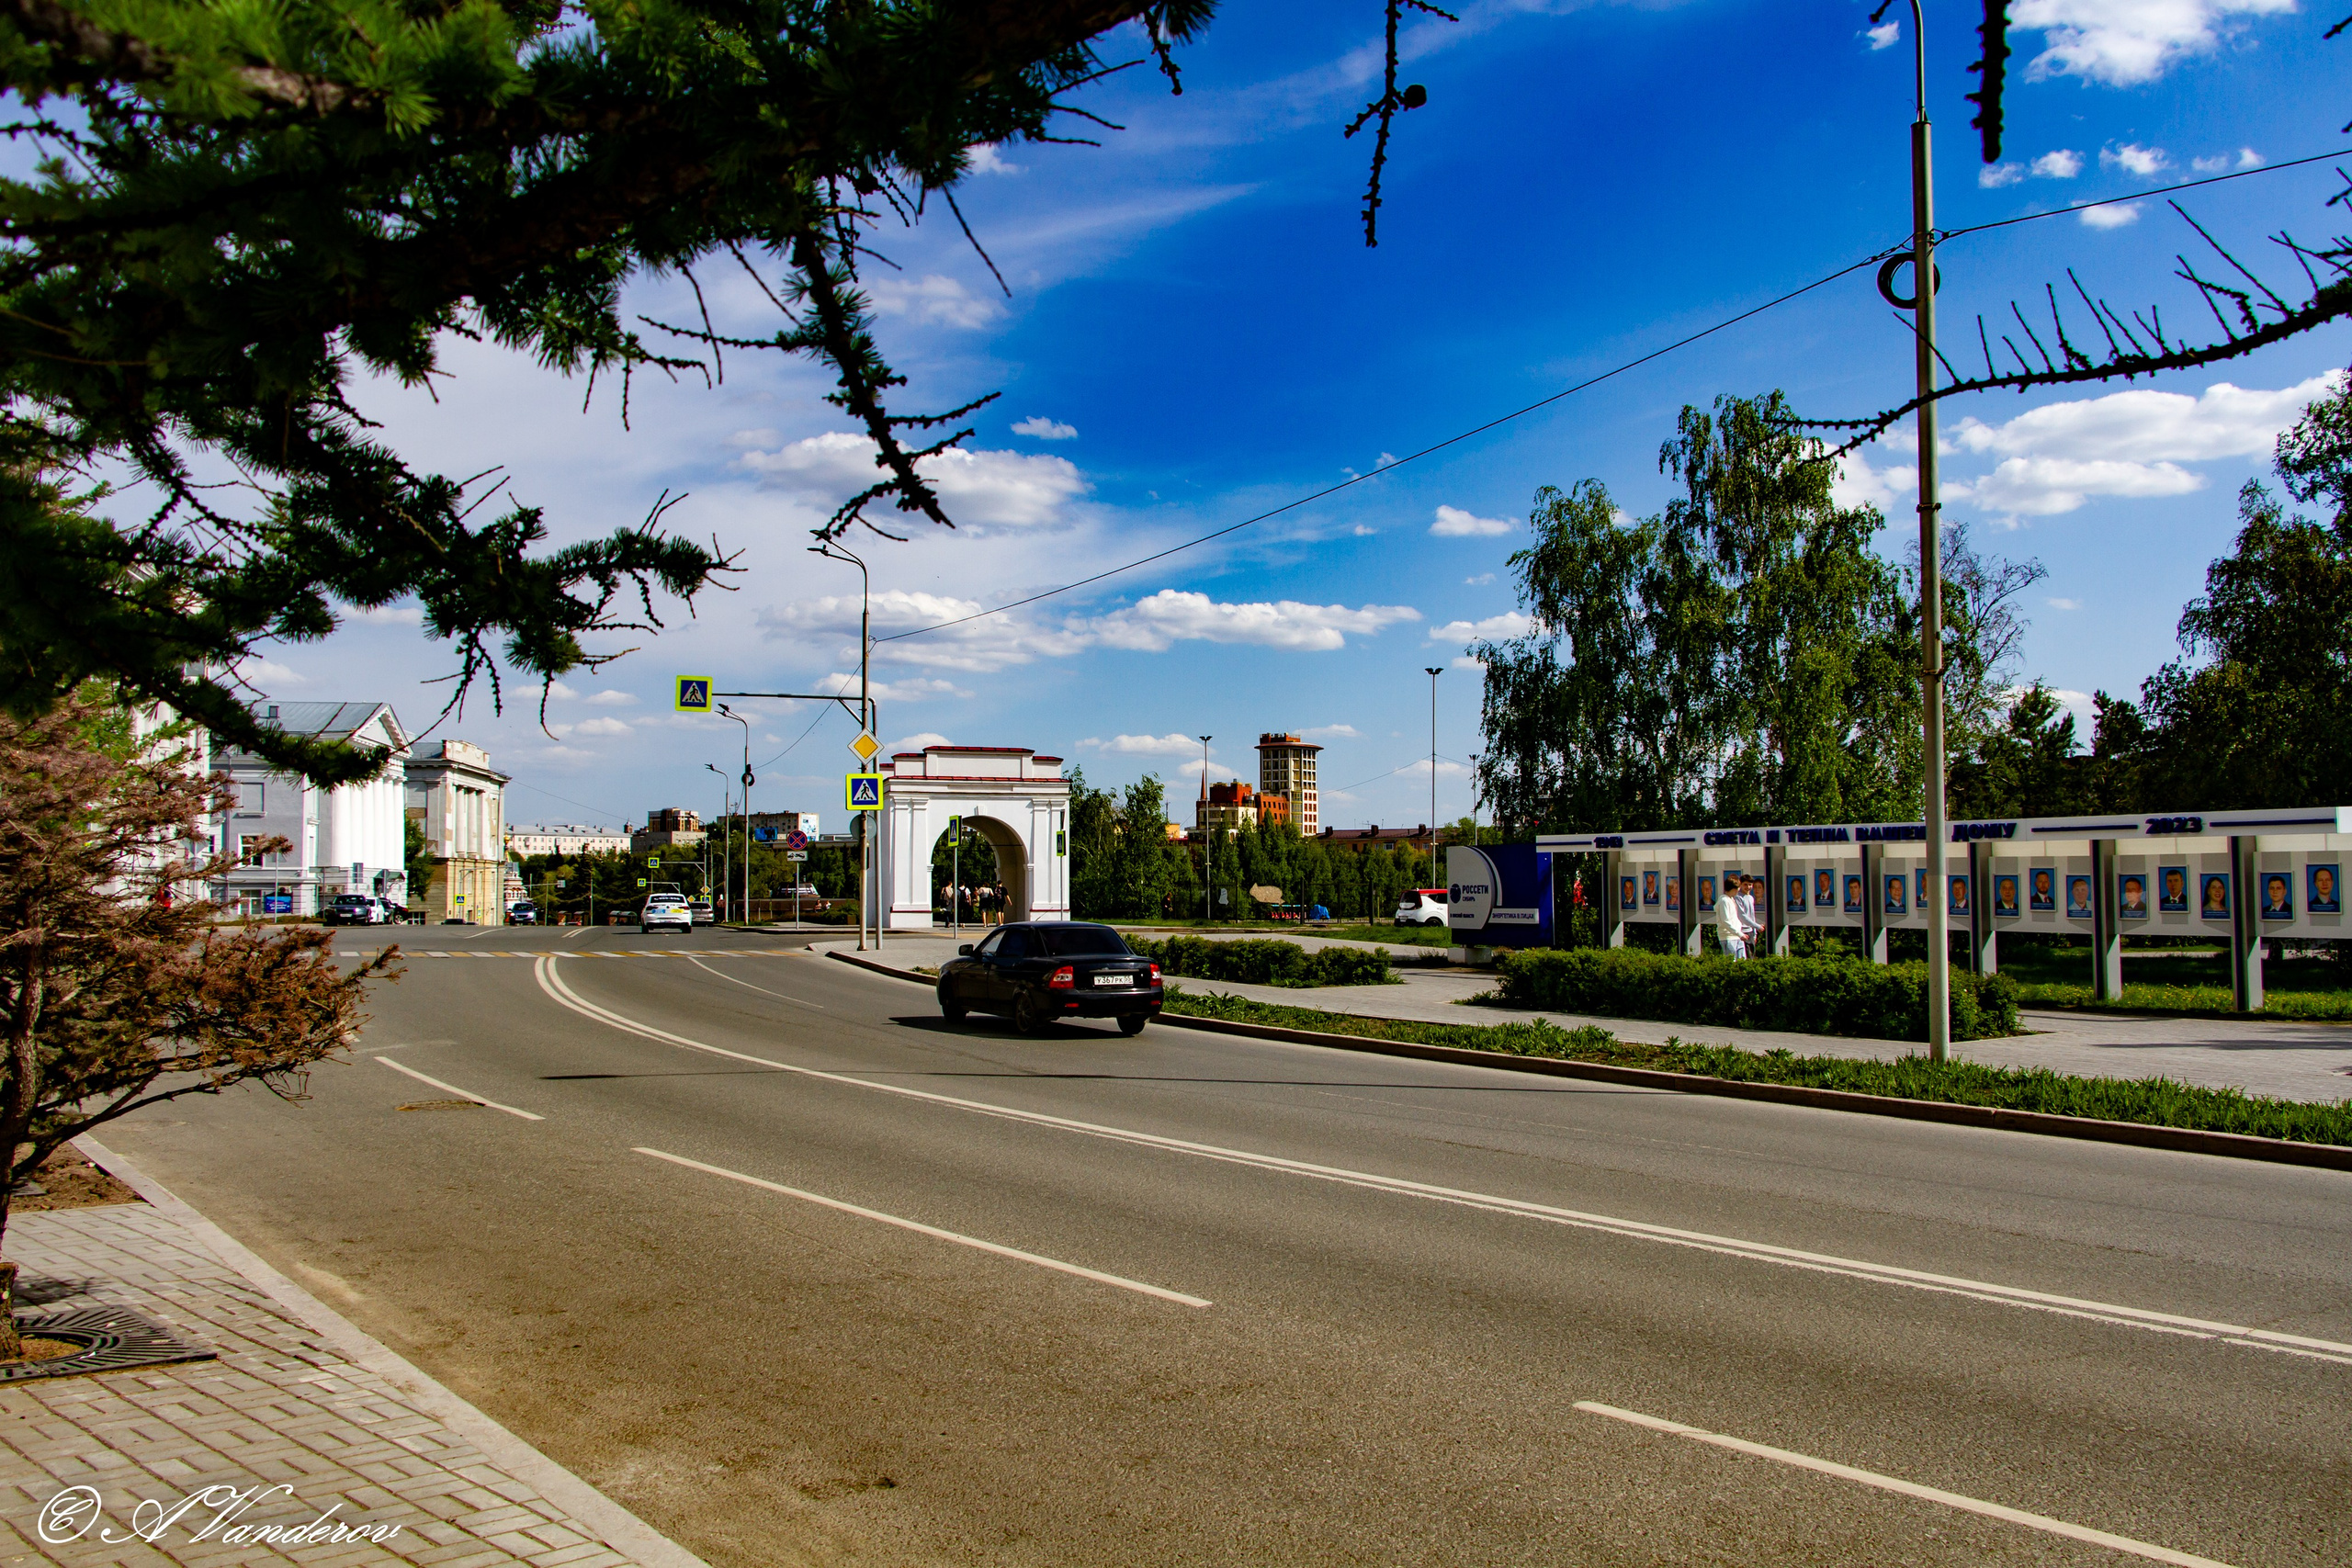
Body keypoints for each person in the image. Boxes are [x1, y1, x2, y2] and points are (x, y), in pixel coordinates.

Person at [1714, 876, 1746, 959]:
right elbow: (1725, 921)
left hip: (1737, 936)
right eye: (1737, 888)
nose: (1738, 890)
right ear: (1733, 888)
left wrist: (1739, 933)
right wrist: (1739, 934)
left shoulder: (1731, 899)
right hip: (1728, 937)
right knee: (1731, 962)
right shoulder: (1724, 901)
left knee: (1742, 962)